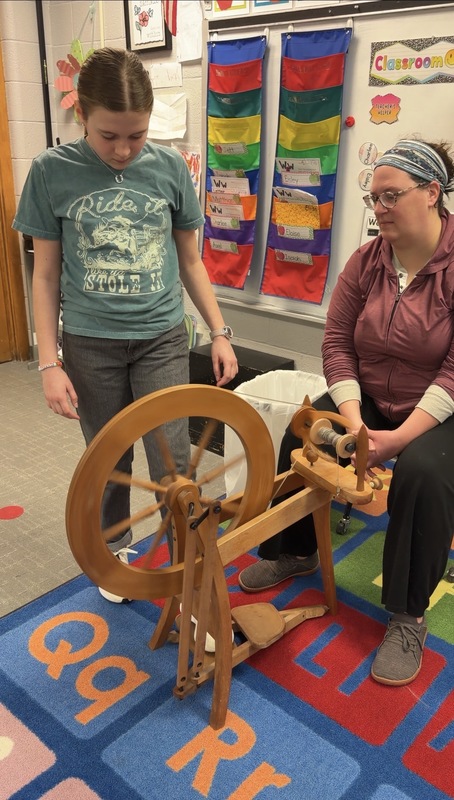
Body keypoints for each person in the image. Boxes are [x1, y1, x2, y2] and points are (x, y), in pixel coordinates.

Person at [13, 47, 237, 602]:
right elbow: (44, 275)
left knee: (171, 456)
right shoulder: (50, 172)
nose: (122, 149)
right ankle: (114, 551)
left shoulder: (167, 169)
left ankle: (183, 554)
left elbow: (189, 260)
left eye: (135, 135)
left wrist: (220, 330)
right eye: (108, 135)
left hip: (162, 335)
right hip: (90, 343)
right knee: (108, 454)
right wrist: (48, 361)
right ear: (82, 116)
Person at [239, 138, 454, 687]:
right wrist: (355, 423)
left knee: (424, 475)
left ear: (432, 193)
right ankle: (294, 552)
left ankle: (407, 615)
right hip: (371, 401)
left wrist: (398, 439)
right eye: (374, 197)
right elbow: (336, 342)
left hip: (439, 408)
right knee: (303, 431)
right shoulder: (367, 260)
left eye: (392, 196)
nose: (379, 208)